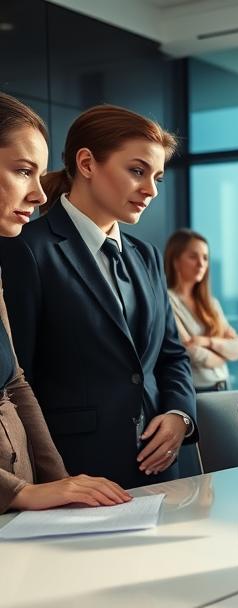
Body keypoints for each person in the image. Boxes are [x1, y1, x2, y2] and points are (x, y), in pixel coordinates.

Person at [0, 104, 197, 489]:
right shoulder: (26, 248)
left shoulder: (147, 255)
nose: (151, 190)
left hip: (160, 466)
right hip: (75, 468)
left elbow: (171, 354)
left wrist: (180, 415)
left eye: (157, 177)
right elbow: (17, 378)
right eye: (137, 171)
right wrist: (40, 481)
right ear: (87, 164)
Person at [0, 93, 129, 510]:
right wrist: (19, 492)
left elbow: (15, 383)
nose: (39, 195)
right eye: (23, 171)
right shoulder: (30, 254)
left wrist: (61, 485)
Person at [164, 228, 238, 392]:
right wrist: (222, 356)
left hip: (224, 385)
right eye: (193, 257)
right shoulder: (167, 300)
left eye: (205, 258)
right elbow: (188, 351)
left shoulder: (211, 303)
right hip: (196, 390)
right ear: (175, 261)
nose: (201, 264)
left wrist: (207, 341)